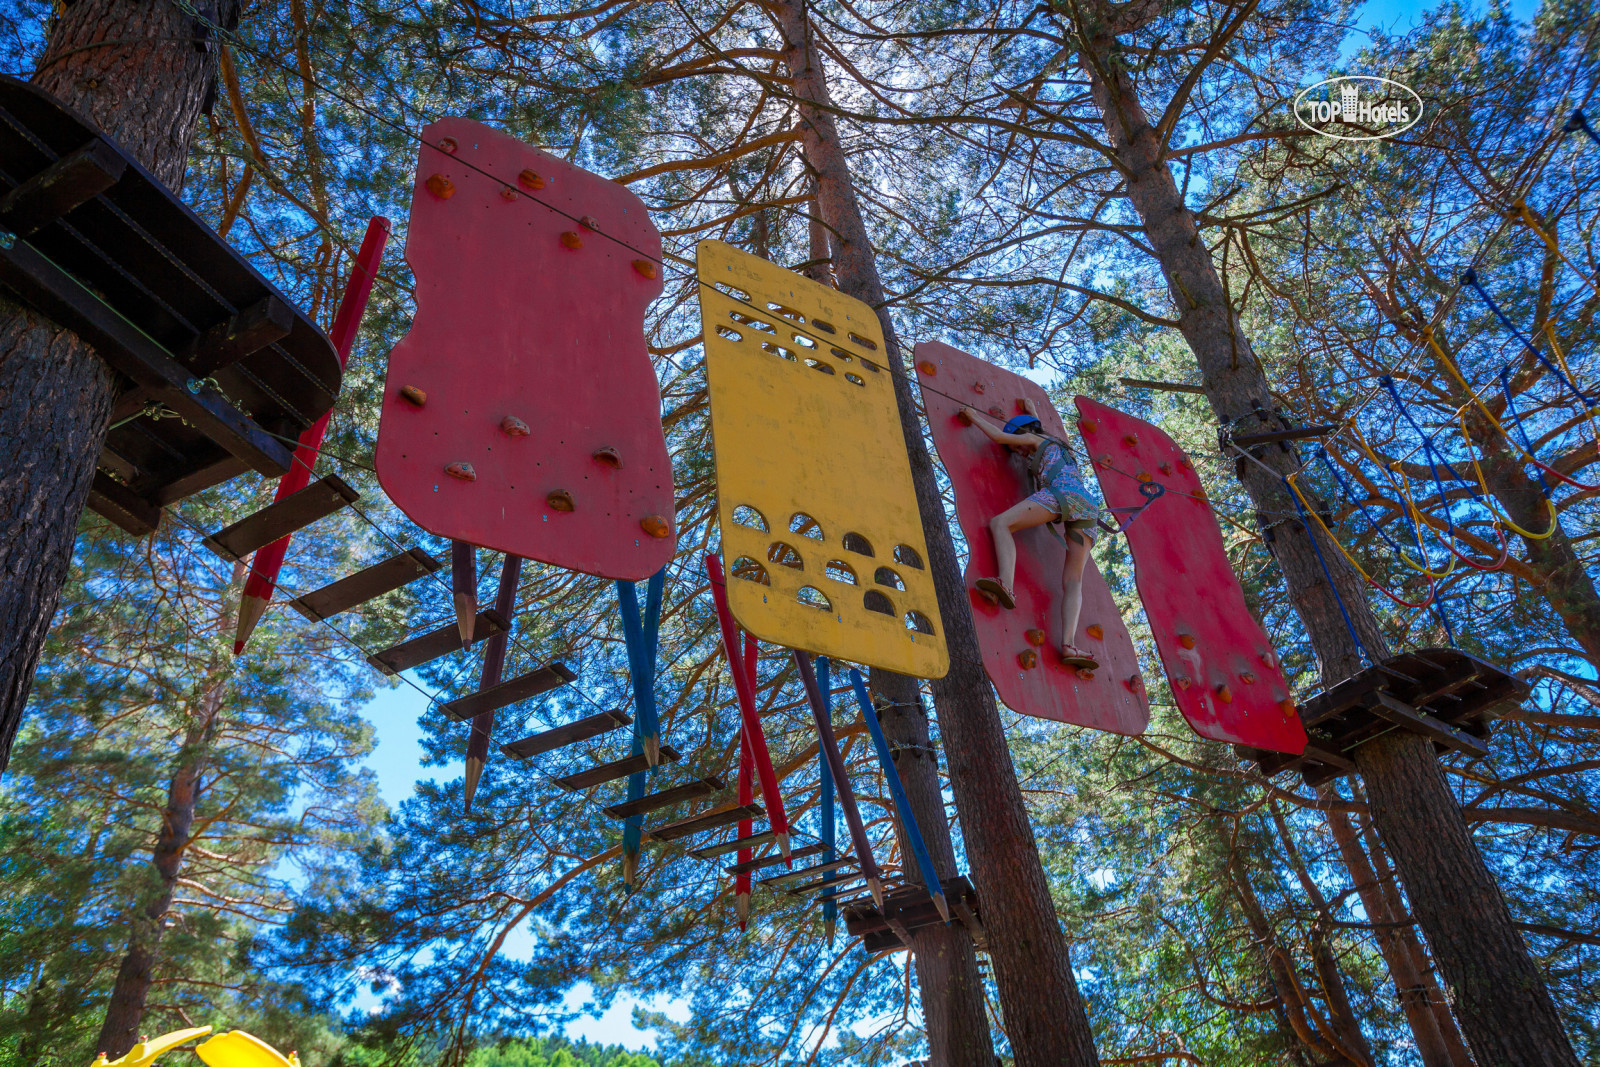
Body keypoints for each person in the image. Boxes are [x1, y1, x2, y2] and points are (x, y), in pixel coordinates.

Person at [960, 398, 1102, 670]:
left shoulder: (1036, 441)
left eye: (1018, 445)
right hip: (1088, 508)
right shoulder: (1062, 448)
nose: (1018, 451)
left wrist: (972, 415)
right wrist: (1033, 413)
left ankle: (1006, 584)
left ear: (1026, 434)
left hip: (1063, 495)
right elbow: (1036, 428)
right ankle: (1069, 644)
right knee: (1073, 581)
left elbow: (1000, 436)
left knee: (1001, 524)